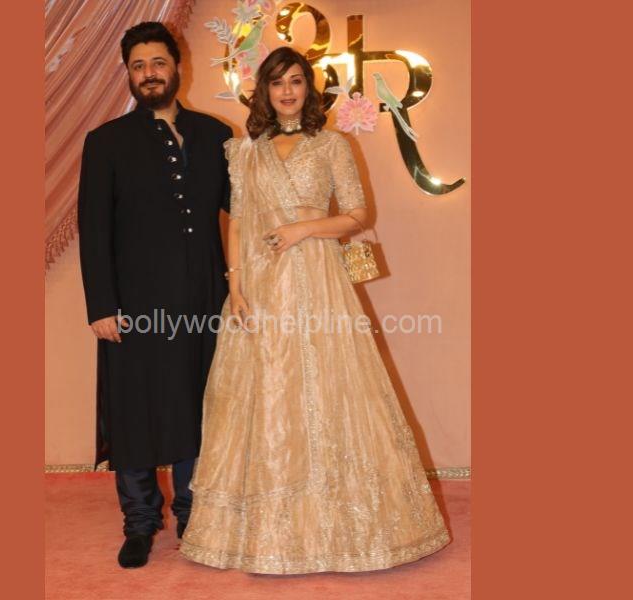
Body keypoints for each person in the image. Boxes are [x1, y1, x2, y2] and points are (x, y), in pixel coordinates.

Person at [179, 47, 451, 574]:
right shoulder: (246, 151)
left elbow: (356, 214)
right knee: (264, 391)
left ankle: (342, 527)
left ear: (309, 88)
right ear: (264, 90)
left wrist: (303, 229)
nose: (287, 91)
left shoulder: (332, 145)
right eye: (277, 82)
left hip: (317, 280)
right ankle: (263, 531)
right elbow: (238, 222)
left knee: (327, 387)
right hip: (260, 282)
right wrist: (236, 285)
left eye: (296, 81)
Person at [77, 21, 232, 569]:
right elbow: (94, 230)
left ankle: (193, 513)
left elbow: (249, 209)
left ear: (177, 66)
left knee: (197, 404)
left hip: (204, 301)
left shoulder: (216, 136)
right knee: (134, 410)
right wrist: (102, 306)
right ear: (128, 74)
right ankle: (140, 522)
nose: (149, 74)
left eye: (158, 63)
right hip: (134, 305)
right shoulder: (106, 143)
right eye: (138, 66)